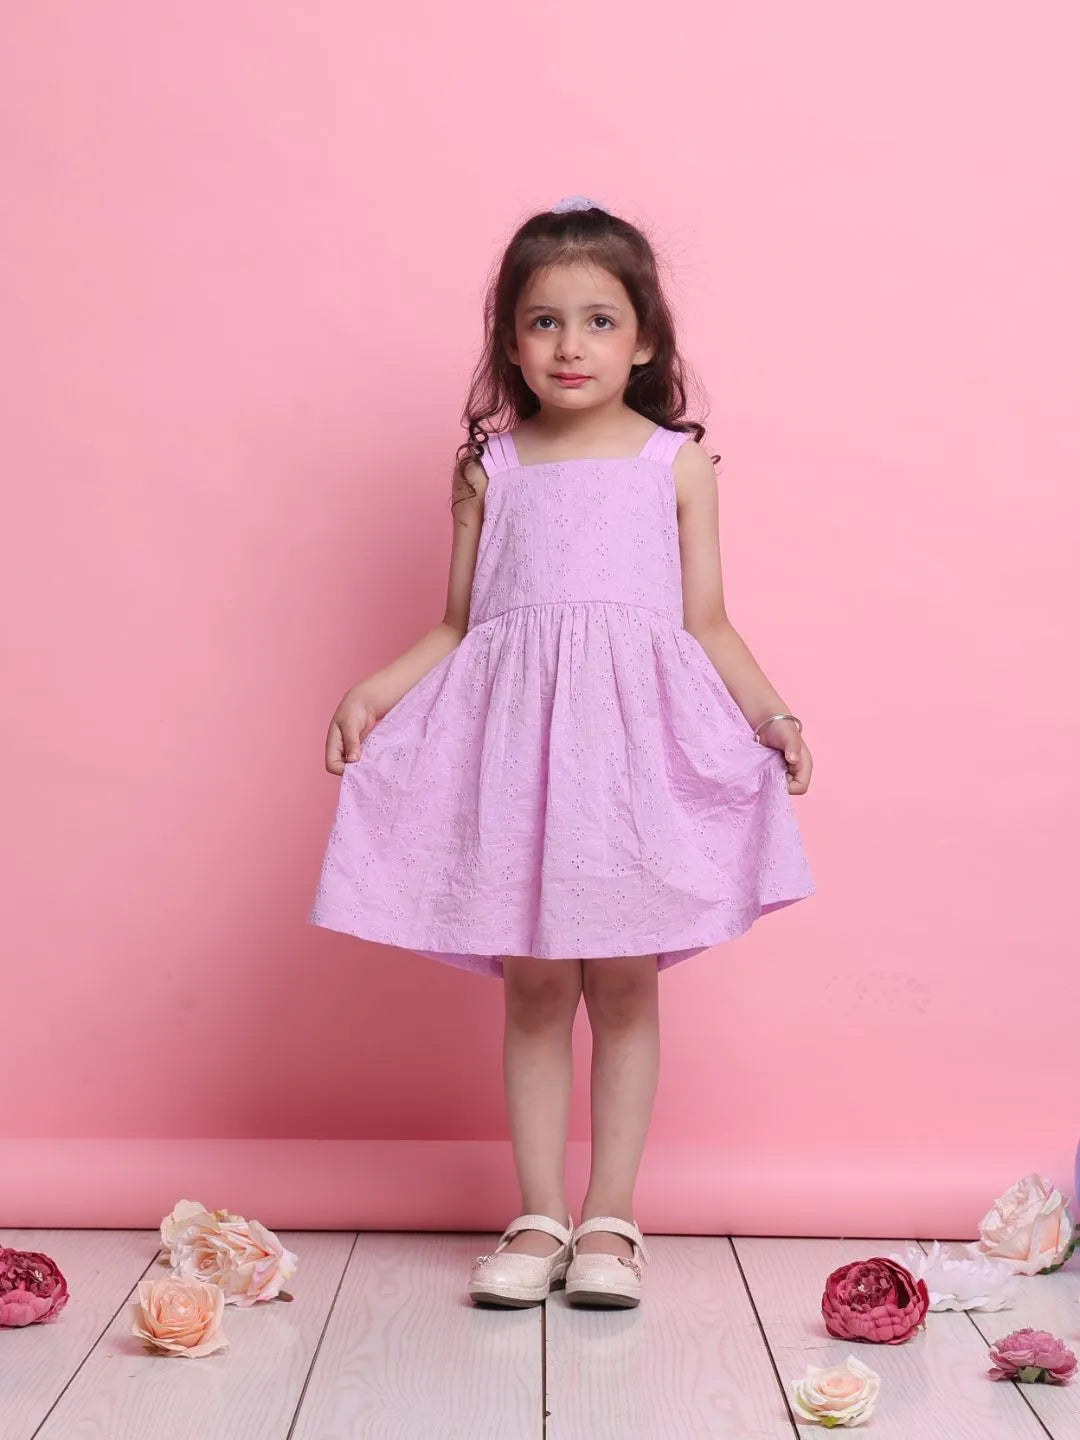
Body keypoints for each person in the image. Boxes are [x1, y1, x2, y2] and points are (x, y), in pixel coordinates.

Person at [309, 195, 815, 1310]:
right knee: (536, 988)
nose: (570, 345)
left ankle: (612, 1225)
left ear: (644, 339)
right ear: (508, 341)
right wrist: (373, 692)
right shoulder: (493, 467)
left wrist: (773, 715)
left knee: (625, 984)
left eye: (597, 321)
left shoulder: (673, 463)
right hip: (518, 757)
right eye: (543, 323)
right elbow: (458, 624)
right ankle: (538, 1215)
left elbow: (709, 623)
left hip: (632, 755)